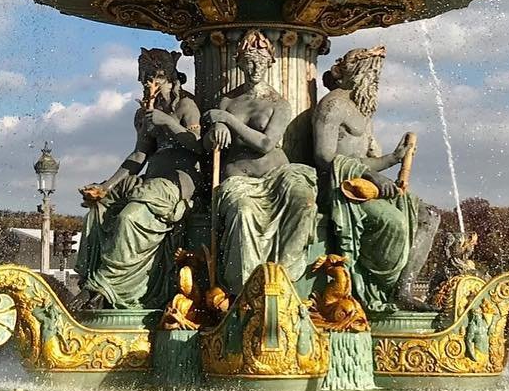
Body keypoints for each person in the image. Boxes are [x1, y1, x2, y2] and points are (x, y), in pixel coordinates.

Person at [311, 45, 440, 312]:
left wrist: (394, 157)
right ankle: (378, 285)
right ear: (353, 73)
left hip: (363, 185)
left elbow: (365, 160)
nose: (375, 79)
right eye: (371, 73)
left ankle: (403, 289)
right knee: (394, 223)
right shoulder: (333, 105)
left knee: (428, 216)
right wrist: (369, 174)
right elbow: (324, 157)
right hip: (340, 189)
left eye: (377, 75)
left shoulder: (362, 110)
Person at [76, 49, 202, 310]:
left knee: (128, 218)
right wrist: (105, 186)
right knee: (99, 208)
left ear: (168, 77)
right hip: (149, 180)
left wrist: (167, 122)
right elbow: (139, 154)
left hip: (176, 184)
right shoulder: (144, 113)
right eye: (143, 78)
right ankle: (88, 281)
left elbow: (198, 146)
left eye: (152, 77)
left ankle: (105, 287)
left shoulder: (186, 106)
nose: (147, 83)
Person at [205, 30, 318, 294]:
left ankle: (284, 279)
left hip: (279, 176)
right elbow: (208, 142)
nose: (254, 68)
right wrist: (214, 133)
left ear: (270, 63)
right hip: (240, 180)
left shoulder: (279, 104)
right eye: (248, 62)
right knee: (243, 212)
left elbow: (267, 144)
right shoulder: (227, 101)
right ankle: (248, 290)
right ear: (240, 63)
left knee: (304, 200)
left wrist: (228, 120)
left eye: (260, 61)